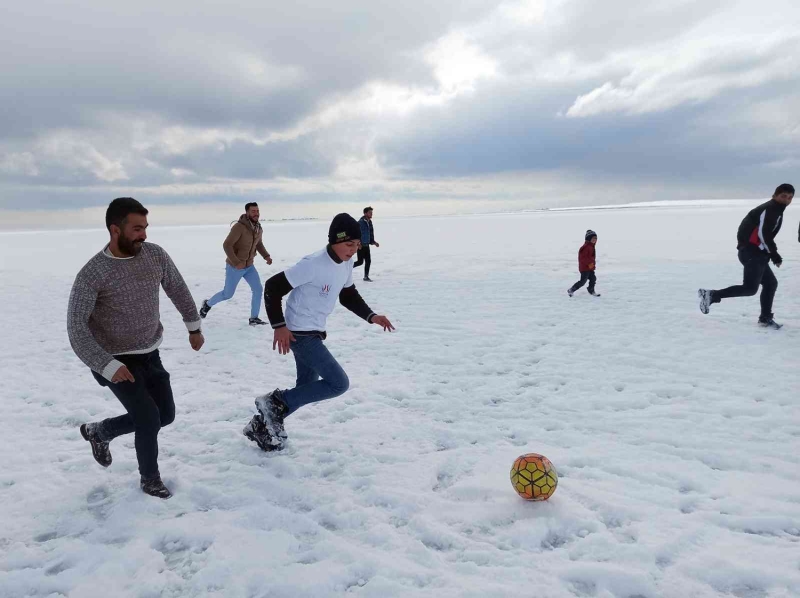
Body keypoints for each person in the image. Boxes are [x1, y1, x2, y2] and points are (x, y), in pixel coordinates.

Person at [67, 198, 205, 499]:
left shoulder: (155, 255)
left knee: (165, 415)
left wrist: (193, 326)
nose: (144, 235)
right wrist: (106, 365)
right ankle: (150, 479)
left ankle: (99, 432)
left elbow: (178, 289)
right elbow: (76, 328)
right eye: (137, 228)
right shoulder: (93, 273)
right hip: (115, 360)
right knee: (147, 418)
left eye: (145, 227)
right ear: (115, 230)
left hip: (150, 352)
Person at [243, 213, 395, 451]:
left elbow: (347, 294)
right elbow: (273, 287)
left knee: (306, 387)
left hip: (313, 331)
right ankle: (273, 402)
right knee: (338, 383)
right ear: (334, 240)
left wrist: (371, 316)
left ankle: (259, 426)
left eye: (357, 244)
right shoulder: (312, 264)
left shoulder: (345, 264)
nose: (353, 250)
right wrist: (279, 326)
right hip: (300, 334)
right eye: (349, 244)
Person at [699, 183, 794, 329]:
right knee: (750, 288)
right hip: (752, 253)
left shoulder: (774, 209)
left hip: (755, 252)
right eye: (783, 196)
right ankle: (711, 295)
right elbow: (763, 234)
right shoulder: (771, 209)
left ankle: (765, 318)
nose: (786, 200)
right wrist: (774, 254)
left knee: (770, 284)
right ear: (775, 196)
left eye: (789, 197)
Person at [200, 202, 273, 326]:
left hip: (249, 266)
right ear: (247, 212)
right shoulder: (239, 227)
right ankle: (207, 304)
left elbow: (258, 244)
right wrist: (236, 262)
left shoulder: (258, 228)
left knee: (258, 289)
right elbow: (227, 245)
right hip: (235, 267)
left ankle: (253, 318)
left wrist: (266, 256)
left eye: (257, 211)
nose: (256, 213)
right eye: (253, 211)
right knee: (227, 294)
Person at [568, 230, 600, 297]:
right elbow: (583, 258)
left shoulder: (591, 246)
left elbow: (591, 258)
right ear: (588, 239)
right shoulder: (585, 247)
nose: (595, 240)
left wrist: (592, 265)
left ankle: (591, 290)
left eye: (596, 238)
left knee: (593, 278)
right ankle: (572, 289)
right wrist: (590, 264)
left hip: (590, 267)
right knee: (583, 281)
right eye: (593, 238)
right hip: (585, 268)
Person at [353, 206, 379, 282]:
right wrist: (358, 244)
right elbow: (356, 234)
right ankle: (347, 268)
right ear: (365, 213)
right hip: (361, 246)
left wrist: (374, 242)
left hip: (366, 245)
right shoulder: (360, 222)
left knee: (368, 261)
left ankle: (366, 277)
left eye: (372, 212)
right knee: (360, 262)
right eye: (370, 212)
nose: (371, 214)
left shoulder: (369, 222)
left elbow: (370, 234)